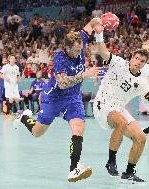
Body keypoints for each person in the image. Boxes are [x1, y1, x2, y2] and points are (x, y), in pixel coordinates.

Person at [14, 18, 102, 182]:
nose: (79, 53)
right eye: (76, 51)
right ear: (67, 48)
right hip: (53, 98)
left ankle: (74, 169)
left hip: (73, 97)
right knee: (37, 133)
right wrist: (84, 74)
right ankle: (24, 118)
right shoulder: (60, 58)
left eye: (80, 49)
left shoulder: (79, 41)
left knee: (79, 129)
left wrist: (99, 23)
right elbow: (62, 83)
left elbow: (91, 23)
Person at [93, 31, 149, 183]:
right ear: (131, 58)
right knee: (121, 122)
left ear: (143, 64)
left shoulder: (141, 82)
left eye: (142, 61)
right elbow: (102, 51)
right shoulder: (118, 62)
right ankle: (111, 161)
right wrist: (99, 34)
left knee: (141, 138)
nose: (138, 62)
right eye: (136, 58)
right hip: (103, 105)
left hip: (119, 109)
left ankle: (129, 173)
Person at [0, 55, 21, 119]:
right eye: (11, 58)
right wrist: (5, 77)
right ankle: (8, 114)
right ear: (9, 59)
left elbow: (18, 75)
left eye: (14, 58)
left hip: (15, 85)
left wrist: (19, 78)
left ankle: (11, 110)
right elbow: (0, 74)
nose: (13, 59)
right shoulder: (5, 67)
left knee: (16, 99)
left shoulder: (17, 67)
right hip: (8, 85)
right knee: (11, 98)